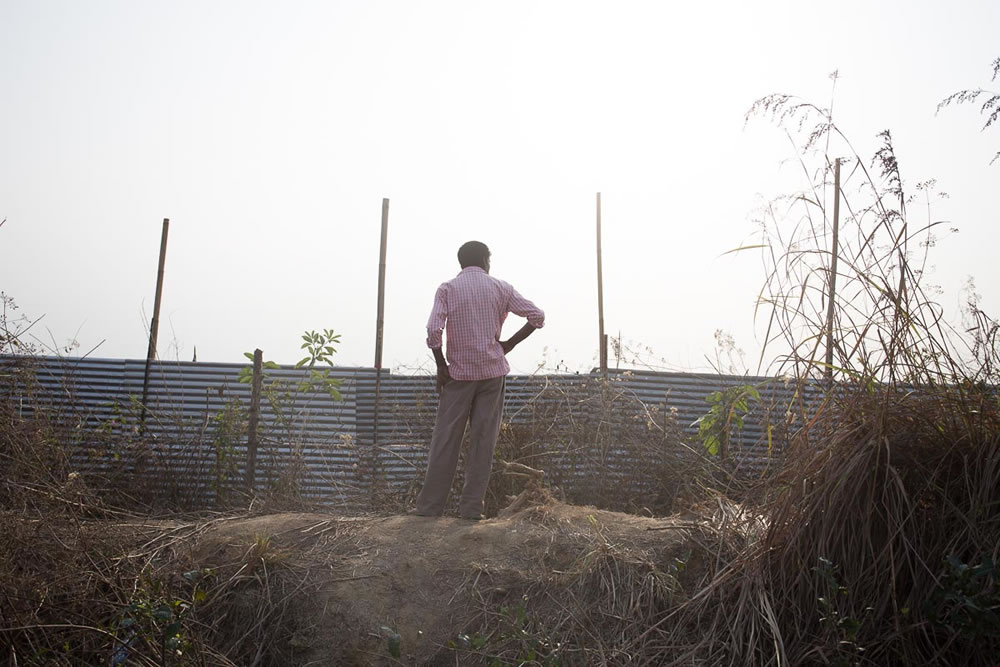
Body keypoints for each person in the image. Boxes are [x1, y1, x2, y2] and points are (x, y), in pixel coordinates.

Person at [412, 241, 544, 520]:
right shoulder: (501, 288)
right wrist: (508, 344)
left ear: (461, 262)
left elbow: (433, 329)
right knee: (483, 443)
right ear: (485, 260)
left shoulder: (447, 289)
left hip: (458, 375)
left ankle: (429, 509)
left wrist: (440, 365)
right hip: (492, 374)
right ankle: (471, 510)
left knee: (446, 441)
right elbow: (537, 316)